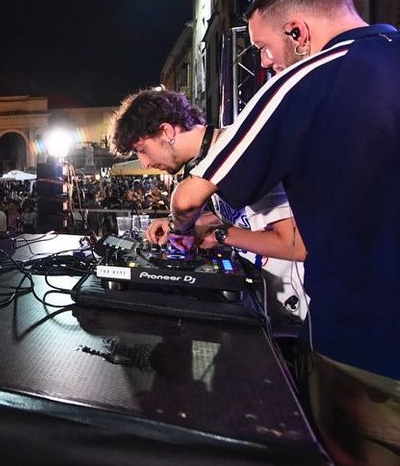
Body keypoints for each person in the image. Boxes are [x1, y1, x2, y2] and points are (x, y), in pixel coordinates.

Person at [164, 0, 400, 466]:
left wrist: (184, 230)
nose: (264, 62)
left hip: (367, 346)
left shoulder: (304, 80)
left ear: (298, 32)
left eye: (264, 47)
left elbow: (189, 197)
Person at [110, 88, 307, 322]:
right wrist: (191, 225)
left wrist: (219, 235)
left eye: (142, 150)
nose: (144, 163)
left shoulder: (243, 152)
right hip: (267, 301)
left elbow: (296, 245)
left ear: (166, 131)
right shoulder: (210, 161)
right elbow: (248, 218)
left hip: (298, 310)